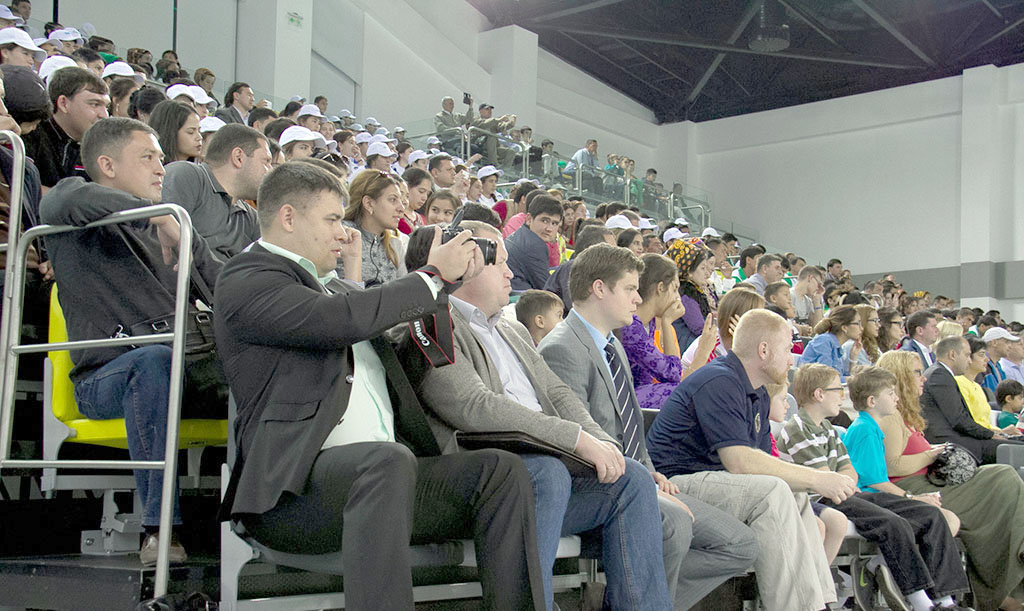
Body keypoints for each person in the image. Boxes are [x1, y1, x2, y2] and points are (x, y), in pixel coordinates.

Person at [215, 161, 544, 611]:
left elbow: (402, 354)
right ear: (288, 217)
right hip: (292, 494)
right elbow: (338, 323)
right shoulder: (248, 277)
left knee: (498, 472)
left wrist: (447, 291)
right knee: (386, 461)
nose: (342, 231)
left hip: (385, 480)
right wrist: (432, 276)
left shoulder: (334, 289)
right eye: (332, 219)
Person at [407, 222, 673, 611]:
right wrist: (575, 440)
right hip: (487, 481)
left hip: (547, 474)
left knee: (629, 479)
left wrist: (603, 443)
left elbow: (558, 394)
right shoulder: (433, 322)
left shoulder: (512, 331)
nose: (510, 274)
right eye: (499, 262)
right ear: (465, 264)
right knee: (545, 472)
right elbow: (473, 407)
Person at [39, 117, 224, 565]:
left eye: (161, 157)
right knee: (153, 361)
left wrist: (187, 241)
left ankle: (264, 523)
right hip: (105, 379)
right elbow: (64, 199)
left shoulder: (174, 227)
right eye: (148, 157)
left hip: (184, 367)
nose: (162, 167)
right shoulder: (73, 205)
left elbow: (225, 289)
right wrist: (161, 215)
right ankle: (160, 530)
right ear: (106, 164)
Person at [538, 243, 758, 610]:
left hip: (636, 476)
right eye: (629, 289)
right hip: (599, 487)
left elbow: (628, 426)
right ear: (599, 288)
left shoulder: (613, 346)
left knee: (739, 544)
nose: (638, 298)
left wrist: (652, 475)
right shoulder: (562, 348)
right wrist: (640, 481)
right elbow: (577, 438)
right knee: (673, 525)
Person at [646, 309, 850, 611]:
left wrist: (806, 482)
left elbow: (762, 464)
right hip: (673, 485)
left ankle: (818, 602)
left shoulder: (756, 394)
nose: (793, 358)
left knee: (792, 491)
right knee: (774, 491)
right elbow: (740, 462)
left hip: (713, 483)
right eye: (787, 349)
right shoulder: (719, 380)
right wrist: (817, 478)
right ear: (763, 350)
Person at [877, 350, 1024, 611]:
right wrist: (931, 454)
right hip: (912, 488)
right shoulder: (891, 417)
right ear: (899, 377)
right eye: (917, 372)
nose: (923, 378)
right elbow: (892, 466)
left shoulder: (908, 414)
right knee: (1004, 478)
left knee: (1004, 477)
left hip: (932, 482)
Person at [818, 366, 971, 611]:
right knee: (914, 517)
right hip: (862, 498)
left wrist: (916, 500)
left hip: (875, 497)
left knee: (932, 516)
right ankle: (909, 591)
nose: (896, 397)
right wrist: (913, 497)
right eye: (890, 393)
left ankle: (946, 600)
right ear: (872, 401)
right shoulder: (864, 430)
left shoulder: (872, 429)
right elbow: (873, 481)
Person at [161, 123, 271, 259]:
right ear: (238, 157)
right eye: (266, 161)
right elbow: (164, 248)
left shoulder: (249, 216)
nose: (270, 170)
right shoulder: (187, 176)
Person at [619, 253, 714, 410]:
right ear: (661, 288)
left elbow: (672, 376)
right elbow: (675, 376)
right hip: (624, 400)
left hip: (637, 393)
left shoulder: (647, 323)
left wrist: (666, 324)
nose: (678, 297)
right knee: (691, 392)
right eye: (675, 289)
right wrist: (703, 352)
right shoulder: (631, 326)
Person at [920, 335, 1023, 464]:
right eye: (967, 355)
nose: (969, 361)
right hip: (950, 441)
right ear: (952, 354)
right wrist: (990, 434)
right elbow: (958, 419)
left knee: (1017, 443)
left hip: (957, 437)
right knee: (1016, 448)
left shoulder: (941, 374)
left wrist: (995, 433)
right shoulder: (939, 375)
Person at [24, 66, 108, 188]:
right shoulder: (31, 133)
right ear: (63, 103)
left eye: (106, 106)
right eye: (95, 104)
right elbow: (20, 191)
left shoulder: (100, 146)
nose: (104, 115)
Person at [339, 169, 406, 286]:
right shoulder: (342, 236)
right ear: (369, 203)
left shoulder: (395, 244)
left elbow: (404, 292)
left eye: (400, 200)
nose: (401, 208)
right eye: (392, 199)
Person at [953, 334, 1020, 436]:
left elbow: (986, 424)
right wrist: (997, 434)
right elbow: (969, 424)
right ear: (968, 357)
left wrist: (1002, 432)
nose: (986, 359)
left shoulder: (977, 386)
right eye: (981, 355)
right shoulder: (959, 382)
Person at [505, 194, 562, 292]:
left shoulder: (522, 234)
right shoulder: (534, 245)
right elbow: (547, 289)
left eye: (554, 223)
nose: (549, 229)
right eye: (544, 221)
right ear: (528, 219)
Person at [666, 238, 714, 352]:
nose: (706, 273)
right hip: (687, 350)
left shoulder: (692, 291)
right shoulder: (684, 295)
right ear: (689, 271)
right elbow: (700, 328)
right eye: (702, 268)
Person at [798, 304, 862, 381]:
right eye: (858, 323)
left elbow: (841, 379)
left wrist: (853, 358)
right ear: (844, 328)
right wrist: (854, 380)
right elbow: (827, 379)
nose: (861, 328)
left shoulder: (836, 346)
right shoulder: (824, 341)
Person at [980, 327, 1020, 394]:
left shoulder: (998, 367)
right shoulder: (981, 367)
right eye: (1007, 342)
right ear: (994, 342)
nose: (1010, 346)